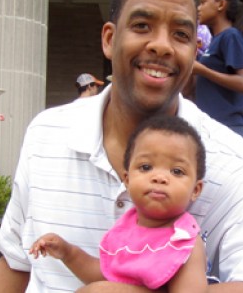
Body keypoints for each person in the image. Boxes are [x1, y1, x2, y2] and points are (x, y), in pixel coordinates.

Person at [0, 0, 243, 293]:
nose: (162, 46)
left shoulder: (238, 163)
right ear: (109, 39)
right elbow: (15, 265)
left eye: (181, 35)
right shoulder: (46, 133)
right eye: (142, 26)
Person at [30, 115, 208, 291]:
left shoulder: (184, 243)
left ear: (195, 190)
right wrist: (68, 253)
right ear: (127, 180)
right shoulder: (125, 230)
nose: (159, 177)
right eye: (146, 167)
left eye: (177, 171)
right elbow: (106, 276)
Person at [192, 0, 243, 140]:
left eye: (203, 2)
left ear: (221, 5)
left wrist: (202, 70)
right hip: (210, 128)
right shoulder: (213, 42)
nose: (198, 8)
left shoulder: (230, 36)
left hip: (228, 129)